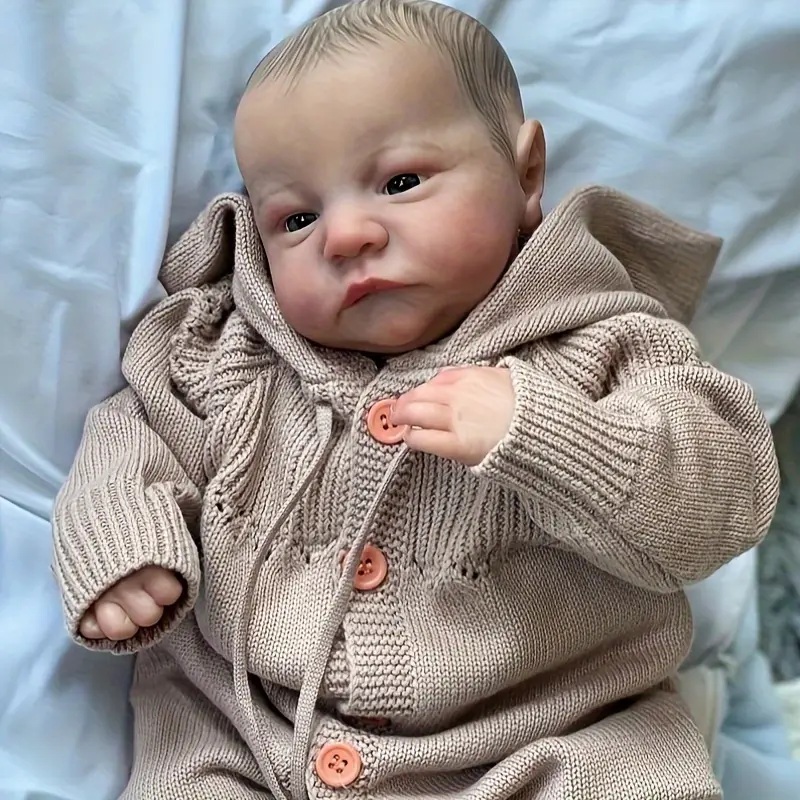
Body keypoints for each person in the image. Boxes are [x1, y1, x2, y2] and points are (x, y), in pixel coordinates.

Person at [51, 1, 779, 797]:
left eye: (401, 182)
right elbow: (132, 430)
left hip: (555, 735)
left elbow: (725, 496)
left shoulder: (604, 346)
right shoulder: (229, 357)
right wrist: (125, 544)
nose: (346, 236)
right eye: (298, 218)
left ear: (526, 174)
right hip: (254, 737)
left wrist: (546, 431)